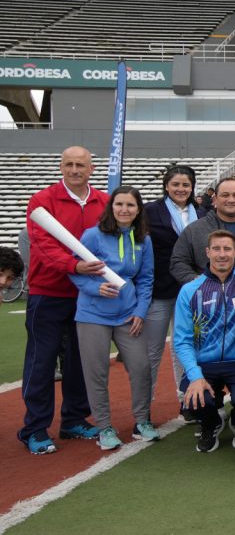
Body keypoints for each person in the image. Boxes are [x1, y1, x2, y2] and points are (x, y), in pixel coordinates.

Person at [19, 146, 109, 455]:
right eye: (69, 164)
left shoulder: (104, 202)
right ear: (61, 166)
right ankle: (35, 427)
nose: (74, 170)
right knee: (41, 361)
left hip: (87, 296)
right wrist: (74, 266)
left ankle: (73, 418)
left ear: (91, 169)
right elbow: (43, 245)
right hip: (49, 293)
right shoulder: (42, 201)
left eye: (80, 165)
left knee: (79, 361)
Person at [70, 186, 156, 450]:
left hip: (128, 315)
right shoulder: (93, 236)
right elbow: (74, 270)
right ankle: (105, 427)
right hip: (93, 315)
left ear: (138, 209)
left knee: (141, 367)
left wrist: (140, 311)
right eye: (119, 204)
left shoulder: (144, 239)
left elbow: (145, 279)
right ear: (111, 207)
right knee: (97, 373)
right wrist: (96, 288)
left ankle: (142, 421)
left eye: (130, 205)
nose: (124, 209)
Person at [174, 230, 235, 452]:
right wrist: (195, 376)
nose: (222, 254)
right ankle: (212, 423)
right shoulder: (189, 290)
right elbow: (181, 340)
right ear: (207, 252)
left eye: (227, 249)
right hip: (204, 363)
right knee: (194, 400)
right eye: (216, 249)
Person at [143, 165, 206, 417]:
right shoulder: (149, 212)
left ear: (192, 187)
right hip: (160, 289)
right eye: (176, 184)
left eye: (186, 185)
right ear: (166, 186)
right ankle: (143, 405)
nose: (181, 189)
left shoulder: (202, 214)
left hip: (192, 291)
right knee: (152, 350)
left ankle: (188, 400)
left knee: (186, 347)